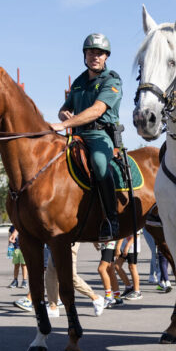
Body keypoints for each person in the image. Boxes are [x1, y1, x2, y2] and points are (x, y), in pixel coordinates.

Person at [50, 33, 122, 241]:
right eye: (91, 52)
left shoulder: (112, 80)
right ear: (85, 55)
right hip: (78, 135)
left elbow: (97, 110)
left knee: (99, 163)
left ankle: (111, 219)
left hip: (101, 135)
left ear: (106, 57)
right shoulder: (79, 81)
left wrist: (63, 124)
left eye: (100, 53)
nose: (95, 57)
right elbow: (65, 107)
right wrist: (63, 113)